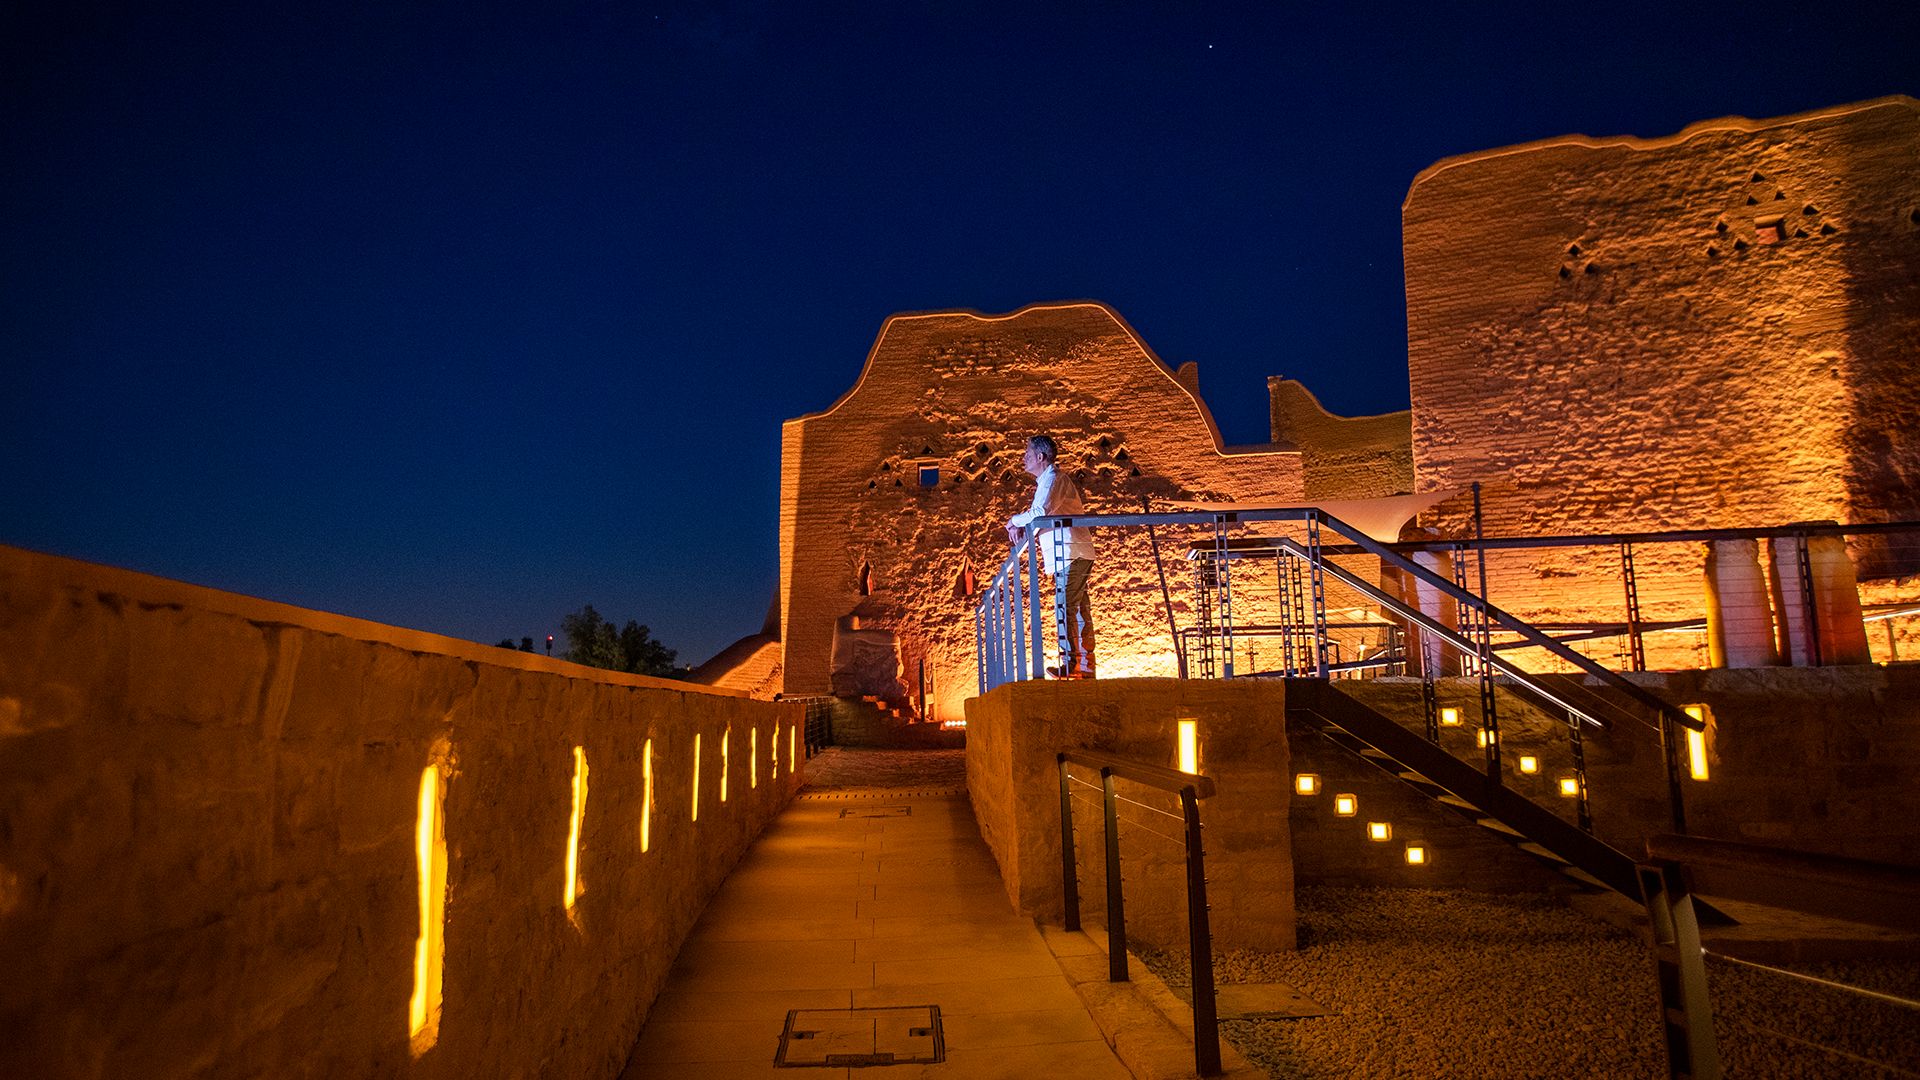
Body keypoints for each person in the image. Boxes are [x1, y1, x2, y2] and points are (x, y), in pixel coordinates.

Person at [1006, 435, 1096, 678]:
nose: (1023, 459)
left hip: (1071, 552)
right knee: (1077, 609)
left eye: (1027, 454)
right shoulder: (1048, 481)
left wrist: (1013, 521)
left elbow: (1040, 512)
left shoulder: (1053, 478)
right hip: (1069, 553)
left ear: (1040, 457)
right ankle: (1083, 667)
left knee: (1065, 606)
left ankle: (1072, 664)